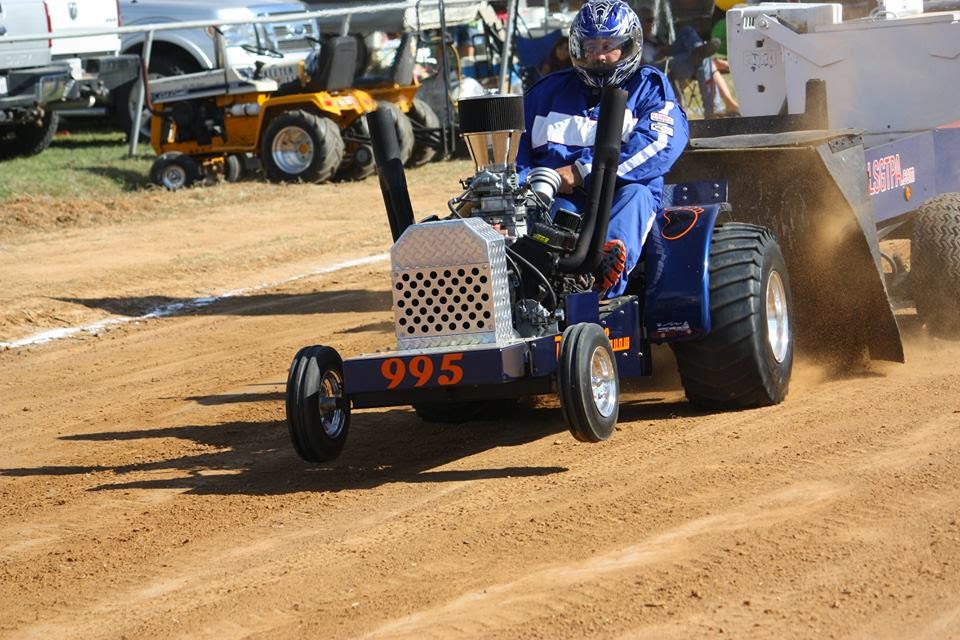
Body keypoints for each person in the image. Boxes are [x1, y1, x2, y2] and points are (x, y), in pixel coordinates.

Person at [516, 0, 689, 298]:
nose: (599, 56)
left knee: (636, 195)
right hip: (557, 199)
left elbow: (659, 146)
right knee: (547, 217)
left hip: (621, 195)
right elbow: (515, 153)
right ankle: (540, 290)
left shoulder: (650, 88)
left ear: (629, 46)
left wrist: (582, 171)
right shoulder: (544, 93)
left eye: (608, 46)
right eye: (590, 46)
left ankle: (600, 282)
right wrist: (525, 187)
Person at [637, 6, 739, 117]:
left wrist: (665, 49)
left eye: (653, 20)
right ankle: (712, 110)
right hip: (660, 70)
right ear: (638, 22)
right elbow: (642, 69)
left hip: (676, 62)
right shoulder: (635, 43)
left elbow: (669, 51)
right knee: (703, 58)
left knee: (687, 31)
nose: (652, 24)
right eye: (649, 20)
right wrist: (657, 55)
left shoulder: (654, 38)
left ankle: (698, 48)